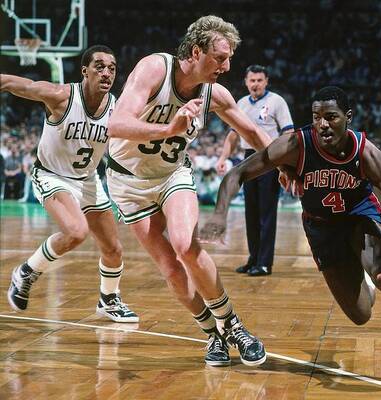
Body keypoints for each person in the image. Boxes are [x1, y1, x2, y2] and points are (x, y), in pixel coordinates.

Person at [200, 86, 381, 388]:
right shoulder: (297, 145)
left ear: (347, 118)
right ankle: (364, 280)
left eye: (331, 117)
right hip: (321, 228)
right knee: (360, 314)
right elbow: (237, 174)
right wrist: (219, 213)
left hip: (359, 218)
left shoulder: (367, 153)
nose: (322, 124)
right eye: (316, 117)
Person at [106, 15, 272, 367]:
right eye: (220, 58)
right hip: (128, 182)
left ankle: (234, 326)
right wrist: (170, 127)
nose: (226, 67)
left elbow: (254, 135)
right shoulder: (154, 68)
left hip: (171, 174)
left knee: (186, 245)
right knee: (169, 268)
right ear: (196, 52)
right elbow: (116, 125)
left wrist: (289, 165)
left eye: (229, 59)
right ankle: (213, 334)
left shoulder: (215, 93)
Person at [1, 45, 138, 322]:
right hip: (51, 175)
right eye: (99, 66)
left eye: (112, 68)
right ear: (84, 71)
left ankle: (108, 300)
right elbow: (13, 83)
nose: (107, 72)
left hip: (88, 179)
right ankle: (27, 271)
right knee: (76, 232)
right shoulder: (61, 96)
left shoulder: (118, 108)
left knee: (113, 249)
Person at [217, 65, 294, 276]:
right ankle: (253, 259)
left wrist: (283, 163)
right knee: (251, 212)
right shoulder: (240, 103)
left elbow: (288, 133)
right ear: (246, 81)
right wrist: (223, 158)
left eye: (259, 80)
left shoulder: (277, 101)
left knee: (267, 214)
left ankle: (264, 263)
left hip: (269, 158)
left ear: (266, 81)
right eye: (252, 80)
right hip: (247, 159)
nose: (255, 84)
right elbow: (233, 135)